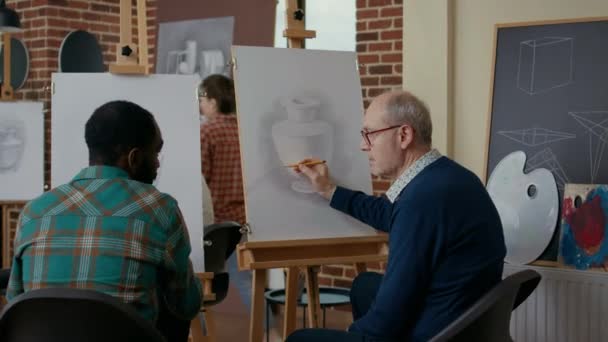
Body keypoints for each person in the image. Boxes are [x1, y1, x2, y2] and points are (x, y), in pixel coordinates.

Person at [287, 90, 506, 342]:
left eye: (370, 134)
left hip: (438, 333)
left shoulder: (421, 201)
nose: (363, 145)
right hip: (464, 318)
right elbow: (388, 213)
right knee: (364, 285)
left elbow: (387, 318)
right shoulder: (448, 177)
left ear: (404, 135)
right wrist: (328, 189)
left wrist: (352, 335)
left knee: (299, 339)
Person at [7, 100, 202, 342]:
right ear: (134, 158)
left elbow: (15, 301)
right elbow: (186, 304)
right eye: (156, 152)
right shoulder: (160, 209)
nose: (158, 163)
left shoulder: (33, 213)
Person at [198, 74, 251, 310]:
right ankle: (270, 331)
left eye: (202, 99)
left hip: (217, 222)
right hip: (246, 219)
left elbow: (200, 180)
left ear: (212, 100)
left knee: (201, 284)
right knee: (248, 281)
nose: (200, 105)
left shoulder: (207, 131)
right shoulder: (245, 131)